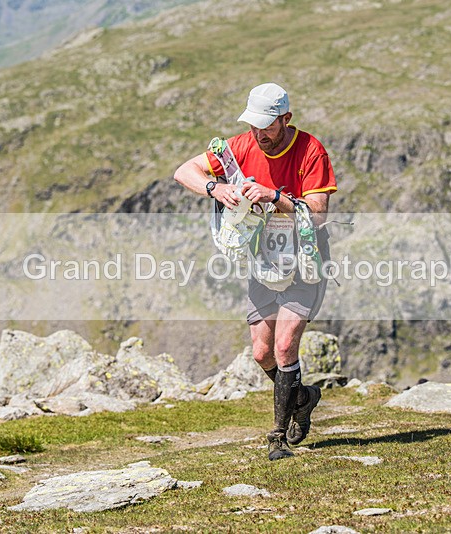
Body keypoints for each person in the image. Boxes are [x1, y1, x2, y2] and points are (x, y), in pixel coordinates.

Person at [174, 82, 337, 460]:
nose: (259, 134)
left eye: (267, 125)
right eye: (254, 125)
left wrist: (274, 196)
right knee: (262, 352)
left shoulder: (311, 150)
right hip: (264, 260)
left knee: (284, 346)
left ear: (286, 119)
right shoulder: (240, 146)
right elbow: (185, 171)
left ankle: (277, 438)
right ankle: (303, 397)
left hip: (305, 260)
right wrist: (215, 188)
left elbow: (319, 213)